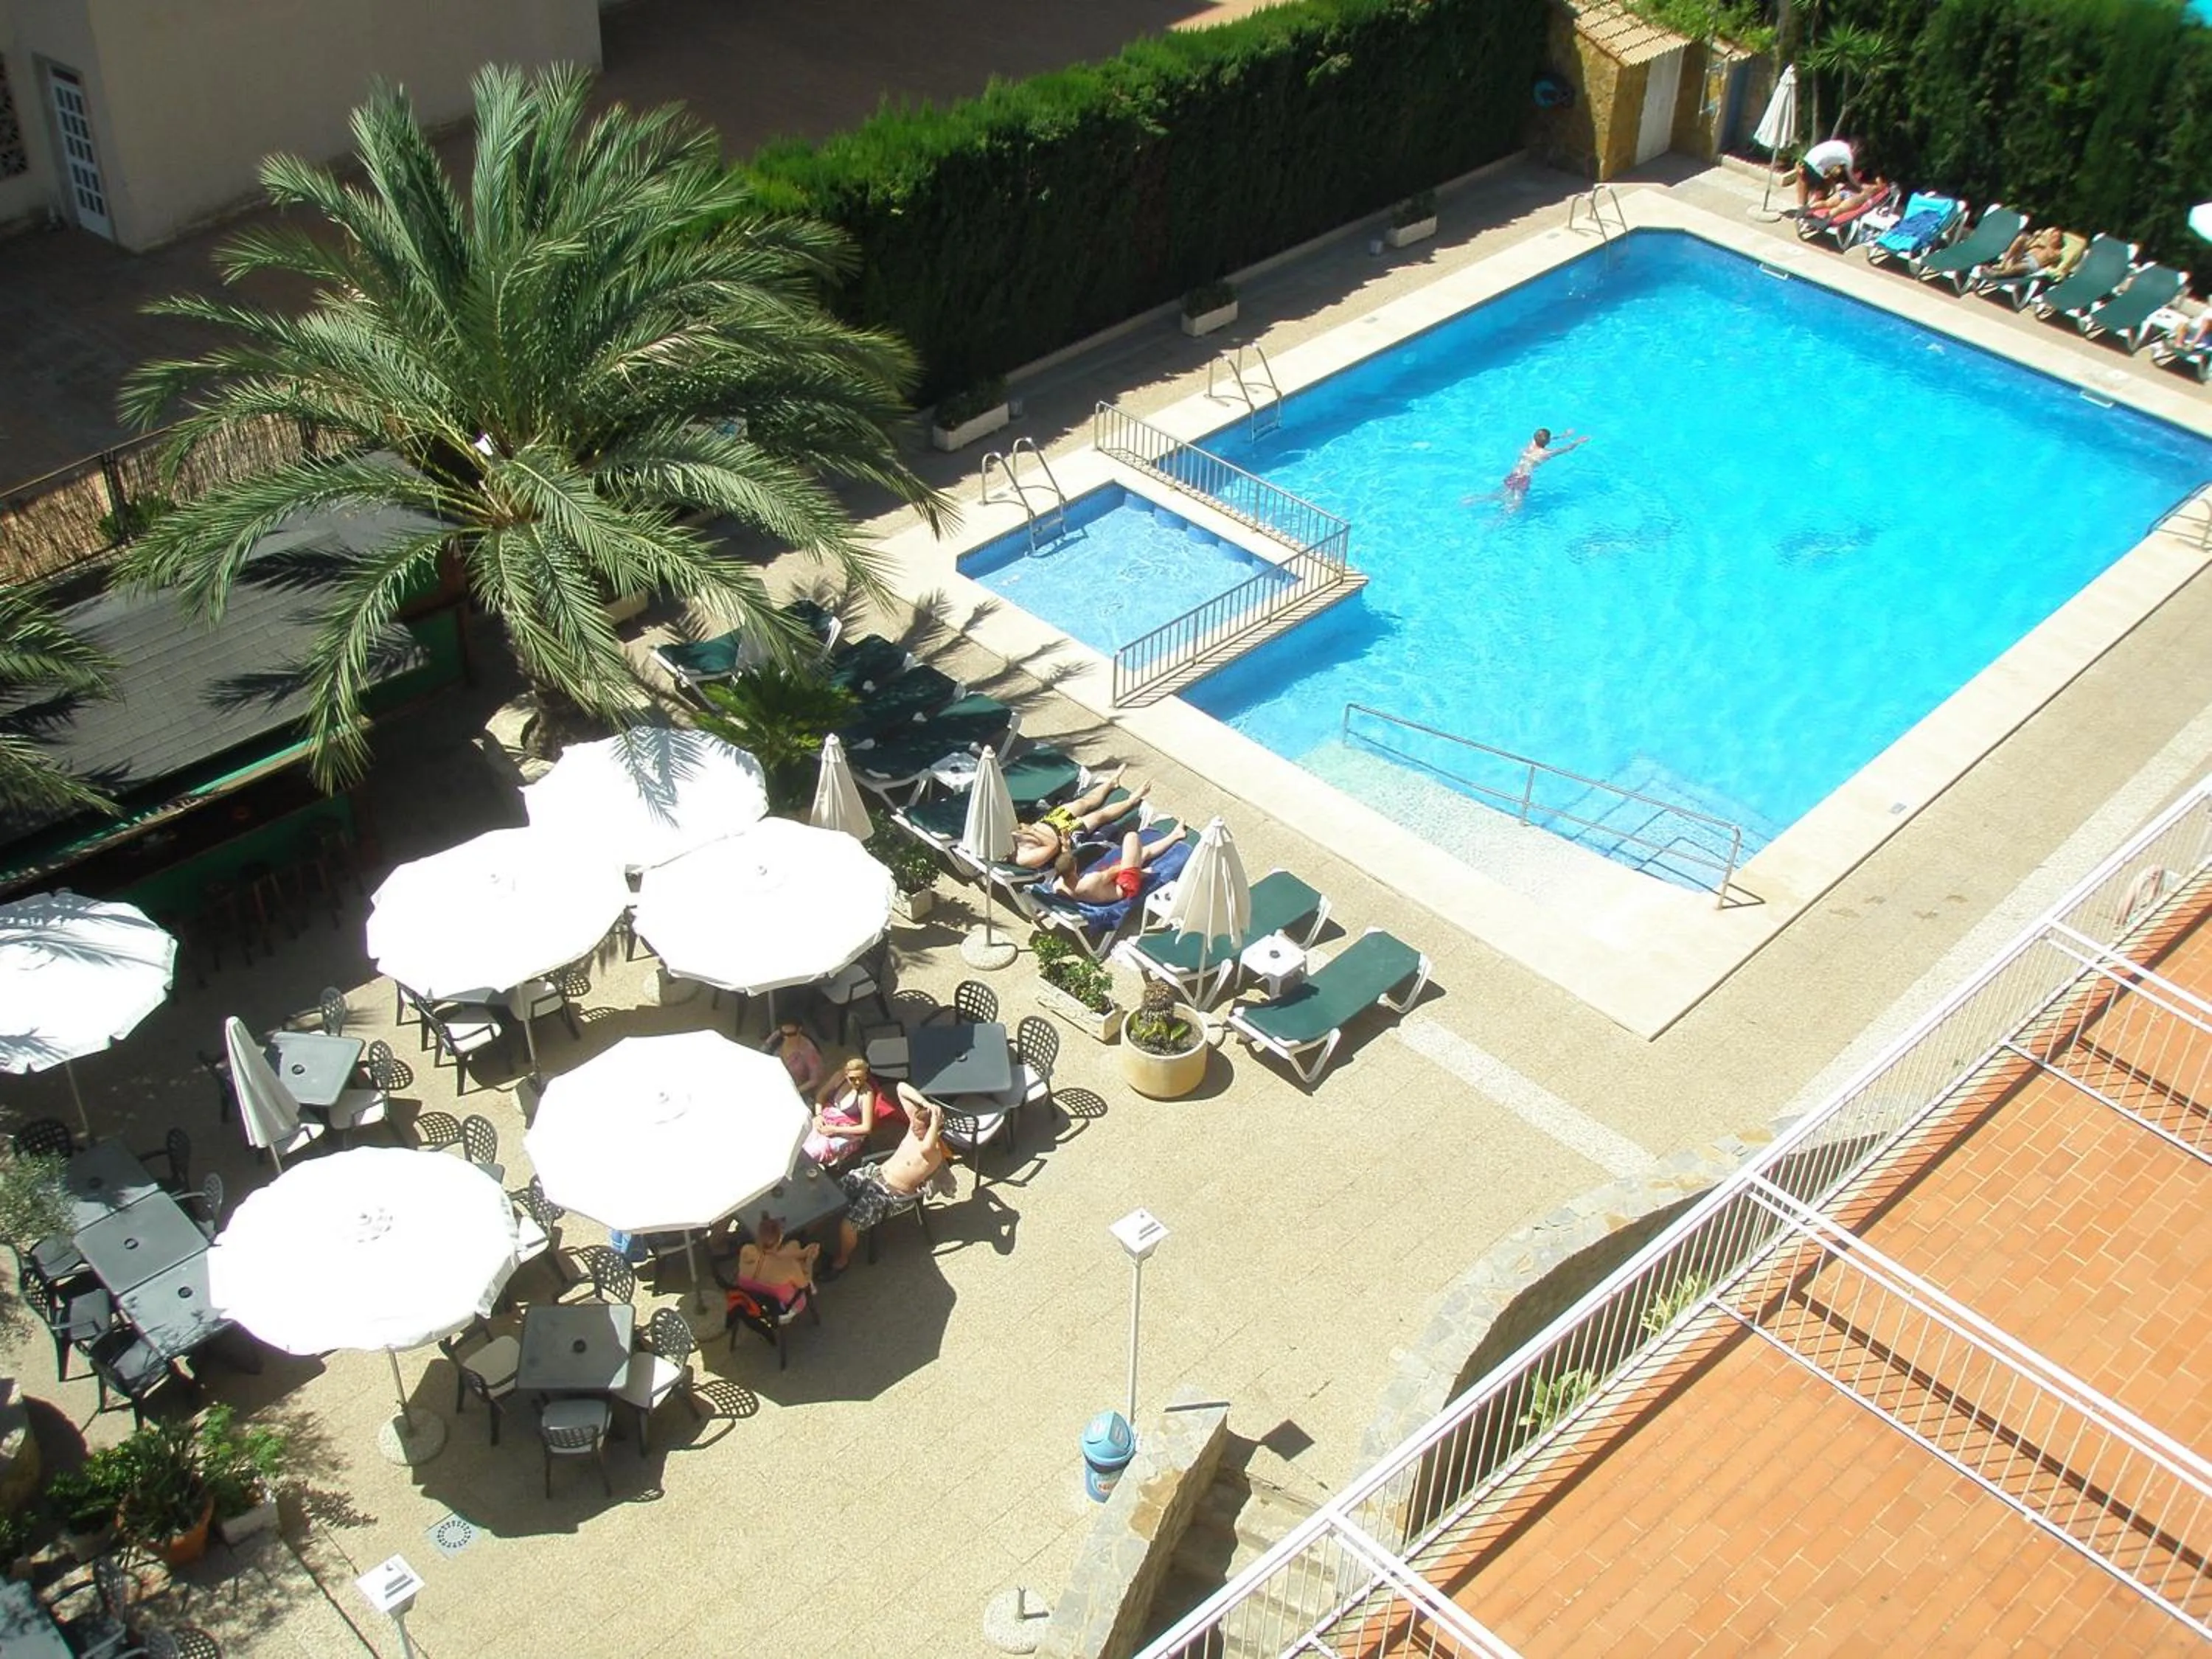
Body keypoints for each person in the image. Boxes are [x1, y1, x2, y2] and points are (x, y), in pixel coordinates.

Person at [824, 1085, 953, 1277]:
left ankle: (842, 1260)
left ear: (932, 1131)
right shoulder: (915, 1129)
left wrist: (935, 1122)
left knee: (847, 1224)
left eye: (919, 1128)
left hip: (890, 1195)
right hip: (874, 1173)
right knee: (830, 1193)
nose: (913, 1128)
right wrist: (926, 1104)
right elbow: (901, 1088)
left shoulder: (933, 1152)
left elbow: (926, 1147)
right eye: (914, 1125)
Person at [1011, 768, 1150, 869]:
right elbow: (1052, 847)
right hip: (1065, 836)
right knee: (1099, 817)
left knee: (1082, 803)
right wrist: (1032, 832)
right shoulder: (1022, 858)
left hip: (1050, 821)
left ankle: (1110, 784)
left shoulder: (1005, 837)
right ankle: (1131, 801)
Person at [1050, 827, 1183, 905]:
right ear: (1074, 868)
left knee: (1141, 854)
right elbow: (1118, 870)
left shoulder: (1059, 886)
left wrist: (1066, 847)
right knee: (1132, 838)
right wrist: (1138, 868)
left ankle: (1175, 835)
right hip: (1125, 888)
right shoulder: (1089, 881)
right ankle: (1175, 835)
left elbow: (1065, 866)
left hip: (1103, 889)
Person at [803, 1057, 897, 1166]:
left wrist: (835, 1129)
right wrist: (819, 1115)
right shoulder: (839, 1078)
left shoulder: (866, 1094)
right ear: (846, 1074)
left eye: (861, 1078)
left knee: (814, 1152)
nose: (857, 1082)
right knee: (801, 1137)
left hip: (846, 1132)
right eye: (853, 1078)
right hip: (826, 1120)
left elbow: (866, 1128)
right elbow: (821, 1095)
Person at [1493, 427, 1590, 512]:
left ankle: (1478, 499)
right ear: (1548, 442)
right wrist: (1578, 441)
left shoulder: (1531, 443)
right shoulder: (1546, 453)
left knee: (1500, 494)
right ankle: (1495, 522)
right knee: (1516, 507)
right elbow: (1566, 449)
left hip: (1515, 473)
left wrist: (1564, 436)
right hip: (1523, 478)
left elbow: (1548, 439)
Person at [735, 1215, 818, 1305]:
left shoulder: (746, 1250)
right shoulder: (790, 1266)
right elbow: (804, 1284)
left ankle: (801, 1253)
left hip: (749, 1294)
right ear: (780, 1239)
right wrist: (810, 1260)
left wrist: (799, 1253)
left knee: (794, 1244)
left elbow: (767, 1257)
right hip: (780, 1304)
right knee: (799, 1260)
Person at [1789, 137, 1860, 210]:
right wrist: (1859, 187)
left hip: (1808, 159)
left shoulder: (1840, 144)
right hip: (1816, 165)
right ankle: (1811, 208)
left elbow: (1829, 160)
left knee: (1806, 180)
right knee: (1822, 189)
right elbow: (1851, 175)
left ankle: (1801, 205)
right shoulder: (1849, 156)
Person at [1985, 224, 2067, 280]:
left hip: (2032, 265)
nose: (2053, 238)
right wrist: (2034, 238)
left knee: (2017, 268)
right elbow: (2026, 247)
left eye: (2056, 237)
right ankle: (2003, 264)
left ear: (2060, 242)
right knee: (2022, 238)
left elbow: (2051, 256)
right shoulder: (2040, 245)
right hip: (2024, 256)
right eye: (2052, 236)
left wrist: (2046, 242)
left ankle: (1996, 275)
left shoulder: (2057, 252)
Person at [764, 1020, 825, 1093]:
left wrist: (794, 1092)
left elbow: (815, 1080)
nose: (786, 1037)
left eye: (790, 1034)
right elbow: (763, 1050)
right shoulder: (780, 1040)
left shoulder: (809, 1052)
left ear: (799, 1030)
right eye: (783, 1033)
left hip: (796, 1088)